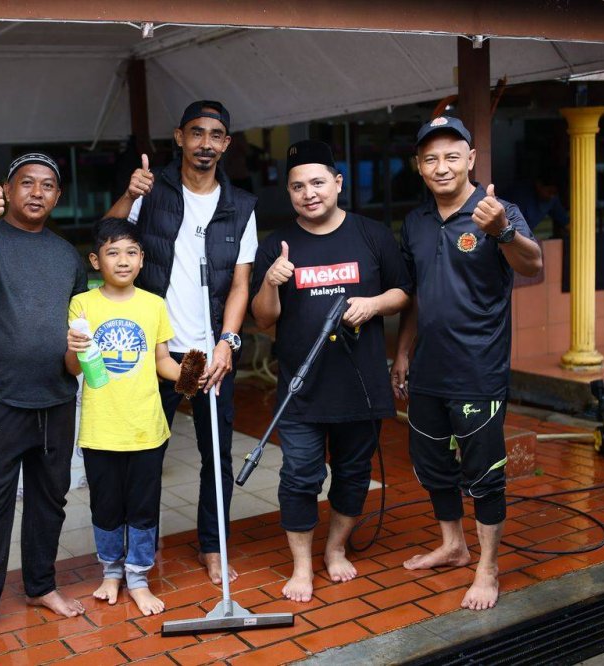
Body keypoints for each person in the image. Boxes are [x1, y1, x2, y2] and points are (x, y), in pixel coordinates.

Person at [391, 117, 543, 611]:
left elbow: (534, 265)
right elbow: (414, 295)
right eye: (431, 158)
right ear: (419, 166)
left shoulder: (498, 211)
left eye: (452, 155)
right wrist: (402, 351)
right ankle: (454, 545)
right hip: (428, 371)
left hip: (478, 370)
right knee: (433, 464)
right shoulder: (415, 222)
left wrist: (501, 232)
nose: (442, 166)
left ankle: (488, 567)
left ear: (471, 159)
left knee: (485, 472)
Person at [105, 100, 258, 585]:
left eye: (216, 135)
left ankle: (213, 548)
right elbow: (109, 237)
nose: (206, 143)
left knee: (218, 457)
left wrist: (227, 343)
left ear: (226, 144)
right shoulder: (154, 191)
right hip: (160, 353)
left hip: (209, 354)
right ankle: (137, 557)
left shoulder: (242, 207)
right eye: (197, 133)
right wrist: (130, 195)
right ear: (179, 137)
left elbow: (240, 283)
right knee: (148, 455)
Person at [251, 140, 410, 603]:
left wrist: (374, 303)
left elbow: (403, 291)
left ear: (338, 183)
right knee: (299, 474)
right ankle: (301, 565)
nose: (309, 193)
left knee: (353, 472)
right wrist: (270, 282)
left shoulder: (372, 235)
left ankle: (335, 549)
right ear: (289, 192)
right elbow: (263, 320)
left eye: (318, 182)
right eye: (298, 186)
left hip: (358, 383)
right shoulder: (277, 245)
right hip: (300, 386)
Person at [0, 152, 88, 652]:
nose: (36, 192)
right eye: (26, 183)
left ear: (57, 196)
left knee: (50, 501)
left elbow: (78, 328)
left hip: (56, 399)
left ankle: (40, 586)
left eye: (47, 185)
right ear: (7, 191)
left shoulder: (67, 256)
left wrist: (79, 363)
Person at [66, 219, 194, 616]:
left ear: (142, 260)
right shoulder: (82, 304)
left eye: (131, 252)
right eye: (112, 252)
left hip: (146, 428)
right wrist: (73, 348)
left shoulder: (154, 305)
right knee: (105, 506)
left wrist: (192, 373)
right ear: (95, 260)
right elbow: (74, 368)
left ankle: (138, 577)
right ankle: (110, 572)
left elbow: (161, 363)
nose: (122, 260)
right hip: (100, 430)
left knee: (142, 506)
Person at [502, 175, 569, 238]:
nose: (551, 196)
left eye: (554, 193)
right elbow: (514, 224)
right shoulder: (520, 193)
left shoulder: (552, 200)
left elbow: (565, 221)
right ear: (538, 185)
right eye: (549, 191)